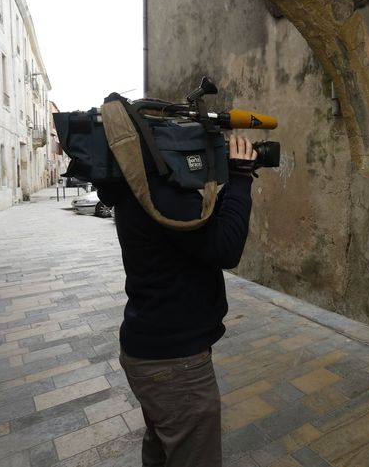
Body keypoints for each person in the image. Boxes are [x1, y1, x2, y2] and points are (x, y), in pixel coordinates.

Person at [98, 134, 256, 467]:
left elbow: (203, 232)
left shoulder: (138, 184)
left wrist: (226, 182)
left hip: (152, 352)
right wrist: (240, 178)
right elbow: (225, 248)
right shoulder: (164, 193)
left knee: (162, 451)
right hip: (175, 366)